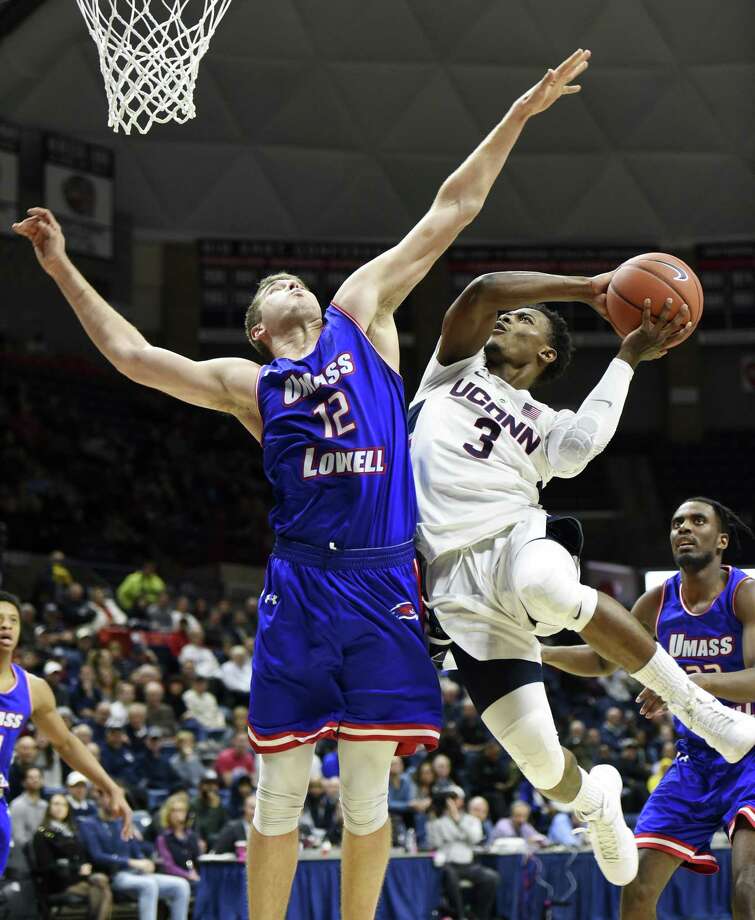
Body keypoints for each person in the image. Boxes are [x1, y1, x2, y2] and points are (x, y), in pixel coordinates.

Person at [12, 48, 590, 920]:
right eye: (272, 286)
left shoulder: (361, 313)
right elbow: (133, 356)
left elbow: (450, 212)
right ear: (256, 328)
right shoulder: (249, 386)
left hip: (383, 579)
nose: (290, 281)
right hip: (301, 585)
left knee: (365, 796)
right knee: (275, 793)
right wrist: (59, 265)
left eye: (293, 278)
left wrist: (517, 112)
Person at [408, 265, 755, 886]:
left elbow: (582, 446)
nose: (508, 317)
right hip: (452, 588)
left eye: (525, 320)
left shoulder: (544, 423)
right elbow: (480, 292)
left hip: (517, 537)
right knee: (541, 765)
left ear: (545, 352)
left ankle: (699, 707)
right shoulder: (451, 373)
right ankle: (595, 804)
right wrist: (590, 287)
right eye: (511, 315)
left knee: (548, 586)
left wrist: (627, 356)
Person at [543, 498, 755, 919]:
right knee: (636, 887)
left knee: (747, 883)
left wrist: (689, 687)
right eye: (677, 523)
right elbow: (605, 659)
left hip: (750, 756)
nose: (684, 529)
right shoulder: (656, 603)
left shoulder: (744, 595)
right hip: (694, 762)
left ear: (722, 540)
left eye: (698, 521)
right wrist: (540, 653)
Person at [0, 591, 131, 875]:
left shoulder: (32, 689)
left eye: (13, 620)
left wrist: (109, 786)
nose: (6, 625)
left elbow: (67, 743)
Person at [78, 793, 190, 920]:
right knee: (149, 885)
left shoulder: (123, 822)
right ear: (100, 799)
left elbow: (136, 850)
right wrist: (130, 862)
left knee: (181, 885)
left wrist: (145, 861)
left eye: (117, 797)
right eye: (108, 796)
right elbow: (97, 856)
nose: (114, 801)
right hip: (114, 875)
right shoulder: (89, 824)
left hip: (137, 873)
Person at [32, 793, 113, 920]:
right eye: (56, 804)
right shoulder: (44, 831)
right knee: (102, 889)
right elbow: (48, 861)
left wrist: (85, 866)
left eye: (64, 805)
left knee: (101, 886)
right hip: (57, 883)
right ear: (49, 807)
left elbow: (81, 855)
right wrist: (77, 869)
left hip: (78, 879)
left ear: (68, 809)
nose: (60, 808)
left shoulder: (72, 831)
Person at [427, 786, 500, 920]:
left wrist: (458, 820)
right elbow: (435, 844)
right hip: (448, 865)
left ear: (461, 801)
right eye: (450, 799)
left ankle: (478, 916)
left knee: (491, 877)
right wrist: (435, 818)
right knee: (450, 877)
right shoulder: (437, 821)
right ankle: (461, 916)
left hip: (469, 865)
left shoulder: (471, 820)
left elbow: (475, 838)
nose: (453, 803)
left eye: (456, 799)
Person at [155, 794, 201, 888]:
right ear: (168, 814)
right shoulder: (163, 838)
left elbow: (190, 860)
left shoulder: (191, 836)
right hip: (174, 879)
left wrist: (192, 870)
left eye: (181, 810)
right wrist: (187, 875)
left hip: (193, 877)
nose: (178, 814)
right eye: (174, 811)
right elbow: (169, 866)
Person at [9, 765, 47, 848]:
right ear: (24, 782)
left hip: (45, 850)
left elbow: (48, 832)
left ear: (42, 781)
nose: (35, 780)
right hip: (24, 852)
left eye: (38, 777)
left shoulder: (45, 805)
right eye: (31, 777)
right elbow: (18, 837)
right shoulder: (17, 805)